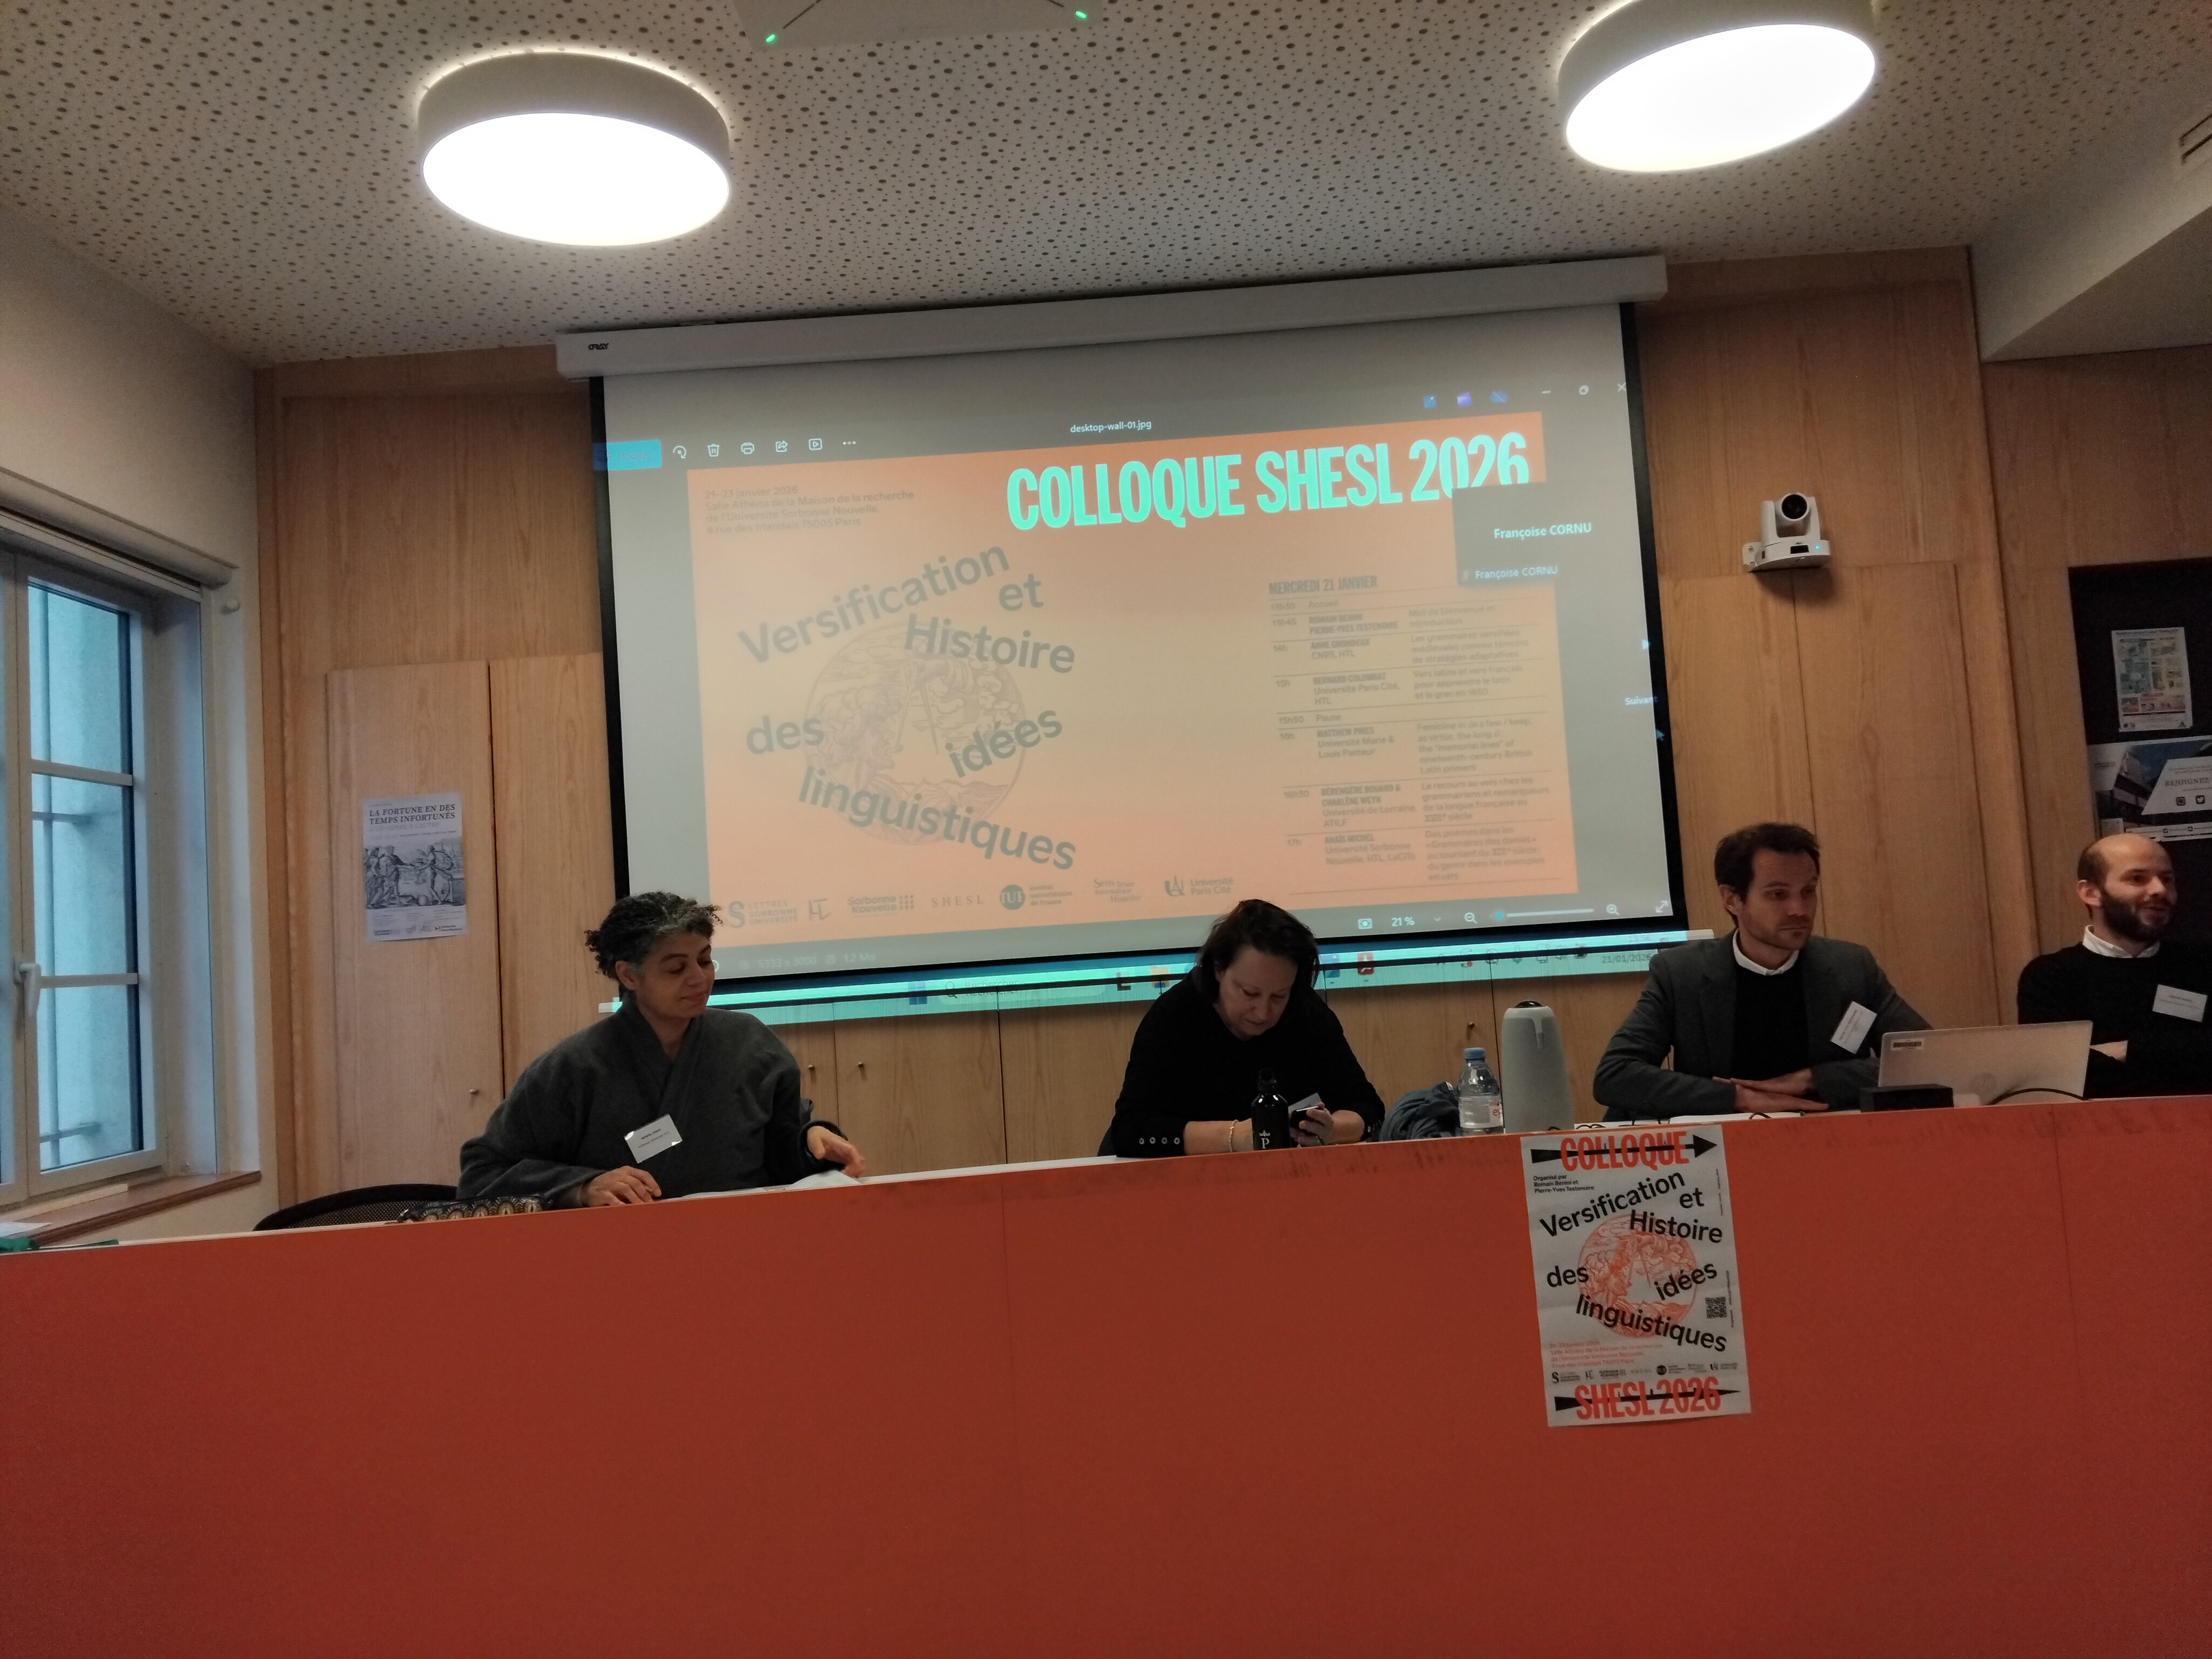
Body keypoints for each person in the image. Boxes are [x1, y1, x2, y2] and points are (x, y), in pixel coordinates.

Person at [459, 892, 864, 1204]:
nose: (698, 979)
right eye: (675, 968)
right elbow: (483, 1174)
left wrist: (815, 1140)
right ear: (628, 976)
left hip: (743, 1243)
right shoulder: (573, 1068)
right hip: (618, 1255)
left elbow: (785, 1153)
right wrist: (581, 1187)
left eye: (705, 961)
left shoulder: (750, 1043)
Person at [1595, 822, 1927, 1120]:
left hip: (1828, 1143)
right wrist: (1740, 1098)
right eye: (1778, 895)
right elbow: (1616, 1074)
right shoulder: (1682, 974)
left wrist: (1813, 1079)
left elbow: (1926, 1059)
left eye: (1808, 892)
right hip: (1723, 1150)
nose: (1799, 909)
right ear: (1732, 899)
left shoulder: (1851, 967)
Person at [1107, 899, 1385, 1155]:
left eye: (1279, 996)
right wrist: (1236, 1136)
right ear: (1218, 969)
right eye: (1249, 993)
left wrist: (1331, 1129)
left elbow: (1367, 1107)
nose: (1264, 1012)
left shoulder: (1305, 1011)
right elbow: (1130, 1130)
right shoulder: (1174, 1016)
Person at [2017, 833, 2212, 1098]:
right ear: (2091, 893)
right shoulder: (2050, 977)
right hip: (2095, 1123)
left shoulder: (2202, 965)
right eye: (2137, 879)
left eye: (2167, 880)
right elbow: (2058, 1075)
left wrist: (2125, 1050)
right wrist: (2180, 1052)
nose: (2160, 890)